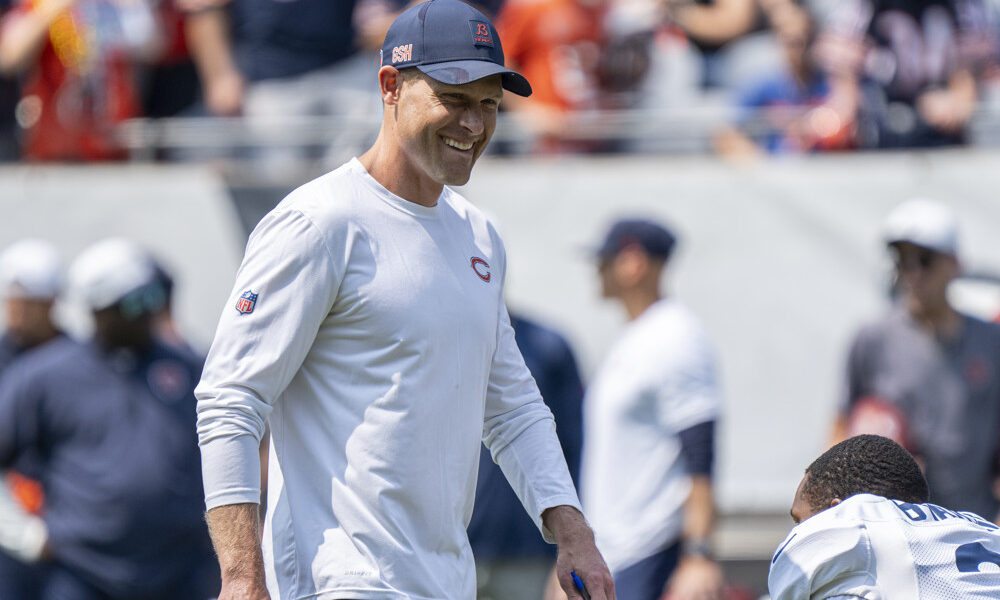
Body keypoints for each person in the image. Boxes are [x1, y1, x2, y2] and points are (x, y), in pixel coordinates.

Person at [194, 1, 614, 599]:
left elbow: (514, 407)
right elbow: (230, 400)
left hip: (445, 583)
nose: (474, 124)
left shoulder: (479, 235)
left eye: (489, 104)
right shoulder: (319, 223)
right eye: (455, 98)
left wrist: (575, 535)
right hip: (339, 583)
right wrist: (240, 577)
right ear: (390, 86)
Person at [0, 237, 219, 600]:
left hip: (184, 570)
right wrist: (23, 535)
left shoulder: (190, 368)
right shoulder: (44, 377)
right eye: (134, 303)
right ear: (98, 311)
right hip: (81, 573)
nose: (148, 311)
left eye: (152, 298)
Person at [579, 218, 723, 600]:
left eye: (604, 261)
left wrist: (698, 555)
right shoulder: (636, 337)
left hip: (651, 556)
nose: (597, 271)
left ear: (633, 263)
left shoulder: (676, 336)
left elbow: (699, 451)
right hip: (615, 554)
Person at [833, 198, 1000, 521]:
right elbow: (840, 427)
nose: (912, 272)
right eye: (901, 261)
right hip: (897, 525)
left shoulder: (990, 341)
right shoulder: (873, 338)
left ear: (954, 263)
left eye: (924, 260)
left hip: (975, 521)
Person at [770, 434, 1000, 598]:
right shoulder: (983, 528)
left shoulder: (852, 517)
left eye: (800, 520)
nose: (797, 530)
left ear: (836, 510)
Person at [468, 312, 586, 600]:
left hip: (529, 557)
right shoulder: (443, 337)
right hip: (455, 550)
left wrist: (569, 547)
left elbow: (578, 453)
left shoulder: (548, 346)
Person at [0, 238, 63, 600]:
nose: (19, 312)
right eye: (13, 301)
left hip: (65, 526)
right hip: (10, 529)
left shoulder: (79, 363)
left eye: (30, 303)